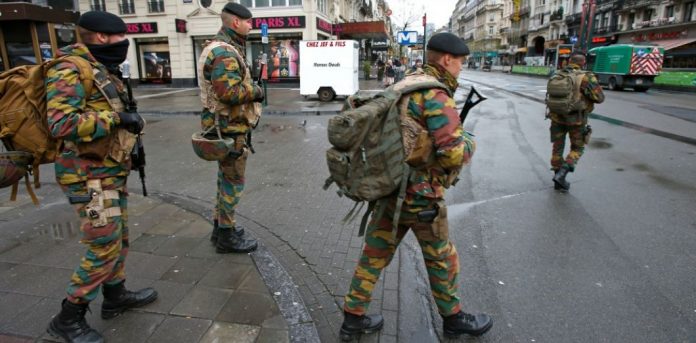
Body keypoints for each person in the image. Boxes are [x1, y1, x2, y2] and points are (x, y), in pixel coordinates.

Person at [340, 32, 492, 341]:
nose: (462, 67)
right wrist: (470, 143)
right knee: (441, 256)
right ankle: (453, 319)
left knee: (374, 254)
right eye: (461, 62)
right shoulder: (436, 95)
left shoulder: (404, 83)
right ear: (447, 60)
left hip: (389, 188)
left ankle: (353, 318)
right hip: (421, 198)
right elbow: (452, 155)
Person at [45, 11, 157, 343]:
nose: (125, 43)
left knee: (119, 238)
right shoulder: (69, 68)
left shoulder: (98, 69)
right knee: (103, 244)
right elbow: (61, 123)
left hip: (107, 173)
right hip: (89, 179)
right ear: (102, 37)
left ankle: (115, 295)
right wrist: (116, 118)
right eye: (121, 37)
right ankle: (68, 317)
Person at [198, 2, 262, 253]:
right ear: (235, 22)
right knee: (233, 182)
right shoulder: (225, 52)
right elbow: (229, 93)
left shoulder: (222, 47)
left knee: (224, 180)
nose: (251, 25)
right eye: (248, 22)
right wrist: (256, 91)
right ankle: (226, 236)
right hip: (229, 129)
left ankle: (220, 228)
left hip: (222, 127)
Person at [550, 52, 605, 191]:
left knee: (557, 147)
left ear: (569, 61)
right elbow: (599, 98)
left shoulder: (557, 75)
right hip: (576, 119)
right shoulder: (586, 77)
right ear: (583, 62)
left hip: (556, 117)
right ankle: (562, 173)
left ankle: (558, 180)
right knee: (577, 148)